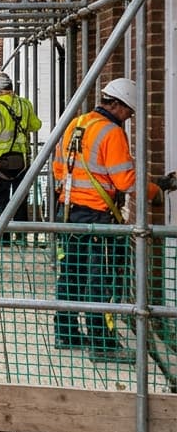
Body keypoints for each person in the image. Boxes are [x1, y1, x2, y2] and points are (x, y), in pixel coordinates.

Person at [51, 77, 177, 360]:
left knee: (70, 275)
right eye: (129, 112)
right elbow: (125, 180)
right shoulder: (112, 132)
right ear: (118, 106)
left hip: (69, 212)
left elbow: (59, 167)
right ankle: (102, 344)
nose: (130, 118)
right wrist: (156, 190)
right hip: (96, 216)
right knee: (100, 280)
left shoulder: (78, 123)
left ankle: (66, 333)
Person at [0, 72, 42, 230]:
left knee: (2, 201)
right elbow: (36, 125)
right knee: (20, 200)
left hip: (2, 164)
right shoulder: (24, 104)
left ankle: (2, 238)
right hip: (22, 161)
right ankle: (21, 237)